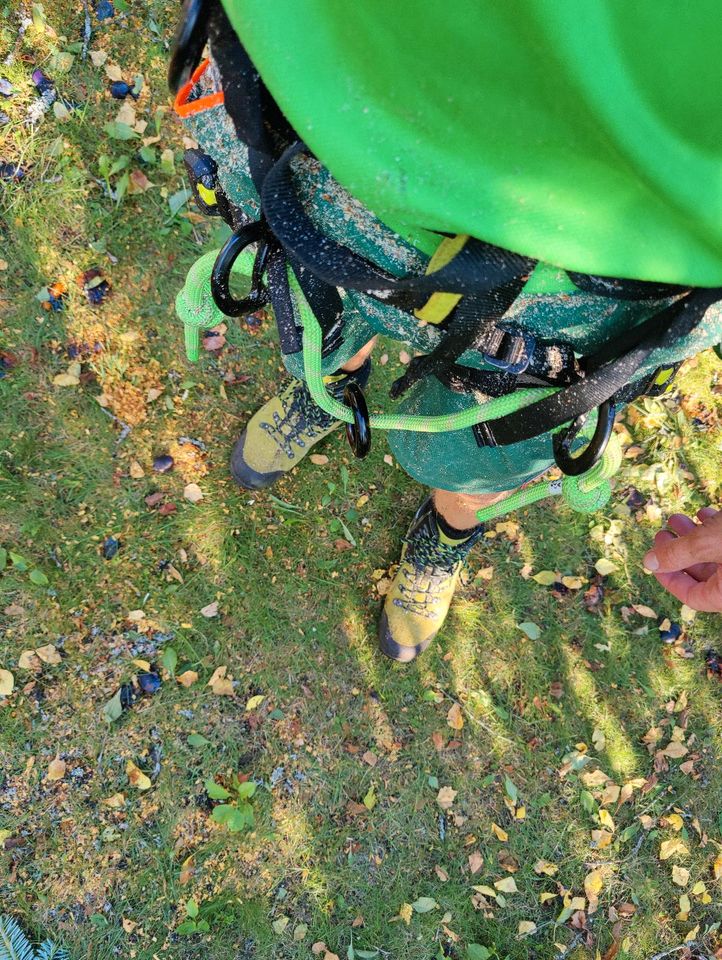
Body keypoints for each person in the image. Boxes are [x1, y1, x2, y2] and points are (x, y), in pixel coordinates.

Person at [170, 0, 722, 660]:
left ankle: (451, 527)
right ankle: (330, 388)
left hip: (631, 259)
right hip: (336, 80)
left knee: (489, 444)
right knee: (320, 306)